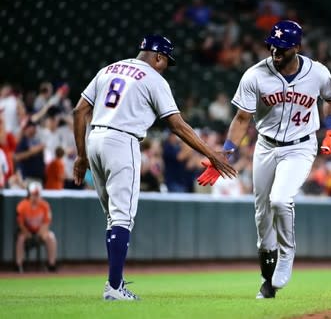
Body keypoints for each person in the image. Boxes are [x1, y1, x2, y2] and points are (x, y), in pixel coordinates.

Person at [72, 34, 237, 301]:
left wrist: (81, 156)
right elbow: (177, 125)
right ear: (158, 56)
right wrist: (212, 154)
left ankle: (116, 281)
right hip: (122, 141)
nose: (165, 67)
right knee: (122, 218)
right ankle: (114, 288)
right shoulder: (152, 78)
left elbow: (79, 111)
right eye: (165, 61)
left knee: (113, 218)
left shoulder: (108, 69)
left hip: (95, 140)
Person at [197, 20, 331, 298]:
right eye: (272, 44)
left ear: (297, 47)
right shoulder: (255, 75)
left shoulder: (317, 73)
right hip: (265, 146)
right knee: (262, 216)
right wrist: (225, 153)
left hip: (300, 147)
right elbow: (241, 118)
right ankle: (267, 280)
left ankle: (287, 255)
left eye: (283, 47)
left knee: (280, 199)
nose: (275, 50)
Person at [15, 181, 57, 273]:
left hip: (40, 231)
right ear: (30, 194)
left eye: (37, 195)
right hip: (27, 231)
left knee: (51, 237)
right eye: (34, 194)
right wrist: (27, 232)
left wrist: (41, 233)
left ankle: (51, 265)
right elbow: (20, 223)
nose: (35, 197)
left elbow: (46, 222)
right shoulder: (22, 205)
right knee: (21, 238)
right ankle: (19, 265)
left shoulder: (45, 206)